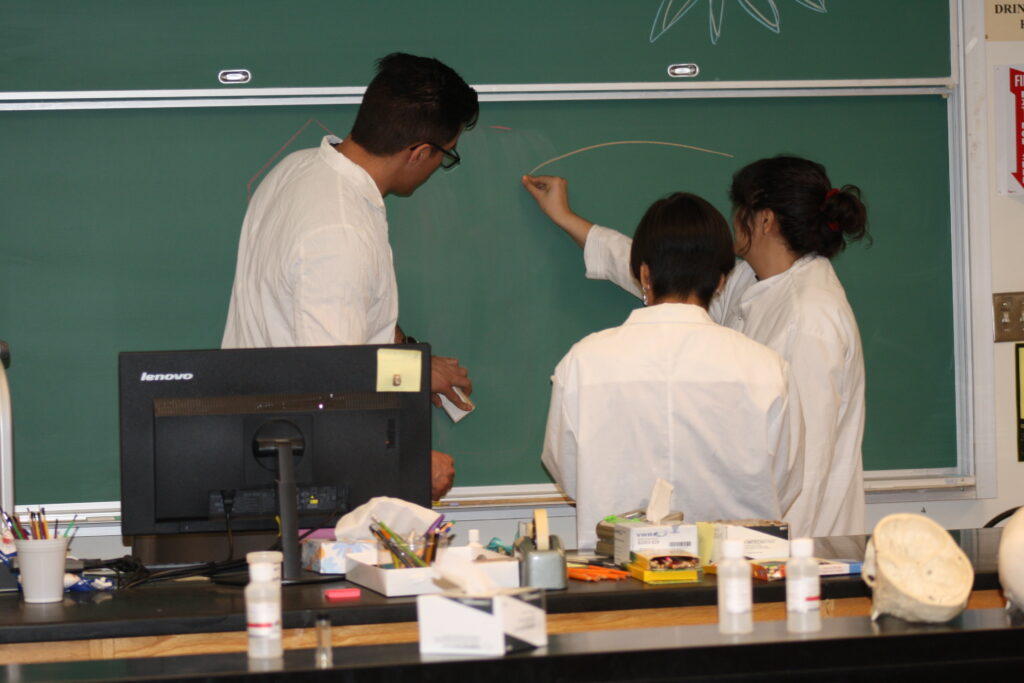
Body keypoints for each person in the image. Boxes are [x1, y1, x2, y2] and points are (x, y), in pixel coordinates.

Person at [523, 156, 868, 537]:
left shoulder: (810, 318)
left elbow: (806, 472)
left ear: (765, 220)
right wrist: (568, 219)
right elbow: (675, 275)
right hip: (735, 545)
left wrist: (783, 567)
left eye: (740, 210)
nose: (734, 219)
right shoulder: (755, 282)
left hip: (796, 549)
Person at [222, 53, 479, 500]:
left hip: (269, 446)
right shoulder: (339, 233)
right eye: (446, 154)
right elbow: (331, 387)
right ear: (420, 152)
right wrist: (410, 462)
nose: (440, 165)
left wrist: (413, 367)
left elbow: (339, 329)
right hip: (303, 481)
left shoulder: (299, 170)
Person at [541, 192, 803, 550]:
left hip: (620, 574)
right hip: (738, 573)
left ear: (644, 273)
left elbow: (570, 475)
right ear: (722, 280)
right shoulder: (767, 368)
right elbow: (785, 482)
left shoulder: (584, 362)